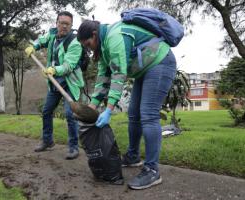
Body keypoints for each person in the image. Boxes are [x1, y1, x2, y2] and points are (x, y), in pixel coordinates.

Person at [77, 20, 176, 189]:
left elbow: (119, 74)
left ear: (94, 35)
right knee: (133, 114)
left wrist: (108, 110)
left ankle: (152, 170)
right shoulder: (103, 48)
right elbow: (103, 79)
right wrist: (91, 109)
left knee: (148, 114)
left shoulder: (114, 37)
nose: (89, 48)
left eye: (88, 44)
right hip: (144, 69)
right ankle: (133, 156)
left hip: (160, 62)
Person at [25, 11, 84, 160]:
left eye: (67, 24)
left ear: (71, 26)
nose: (64, 26)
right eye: (61, 23)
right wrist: (34, 46)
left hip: (70, 83)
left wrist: (54, 69)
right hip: (54, 83)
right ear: (56, 22)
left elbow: (69, 65)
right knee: (46, 111)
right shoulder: (52, 35)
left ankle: (73, 147)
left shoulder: (75, 42)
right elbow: (41, 41)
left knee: (71, 115)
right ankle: (48, 141)